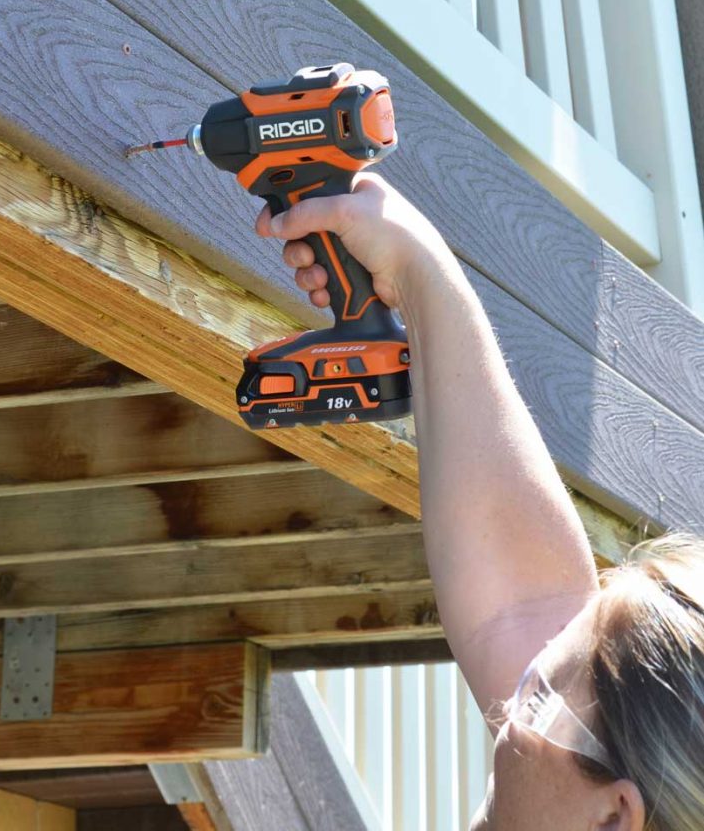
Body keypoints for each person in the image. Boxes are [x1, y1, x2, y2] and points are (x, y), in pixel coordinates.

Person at [256, 173, 704, 831]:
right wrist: (415, 268)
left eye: (537, 699)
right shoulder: (568, 764)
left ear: (614, 819)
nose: (512, 699)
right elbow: (518, 607)